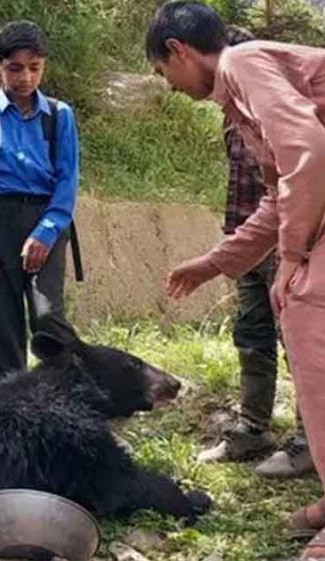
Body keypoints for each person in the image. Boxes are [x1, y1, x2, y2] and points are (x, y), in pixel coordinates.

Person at [146, 2, 325, 555]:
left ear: (178, 51)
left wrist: (291, 258)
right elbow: (278, 198)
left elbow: (310, 152)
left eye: (163, 71)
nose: (169, 86)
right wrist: (213, 263)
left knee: (304, 312)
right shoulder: (241, 102)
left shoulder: (242, 63)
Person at [195, 25, 315, 479]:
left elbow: (299, 172)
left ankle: (308, 440)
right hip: (247, 234)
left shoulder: (268, 96)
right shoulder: (234, 116)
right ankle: (252, 427)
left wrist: (292, 250)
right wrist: (226, 251)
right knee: (250, 333)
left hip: (289, 236)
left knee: (299, 341)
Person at [0, 20, 80, 382]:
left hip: (45, 219)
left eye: (34, 68)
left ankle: (69, 390)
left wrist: (46, 231)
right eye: (15, 68)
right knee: (1, 323)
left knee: (47, 315)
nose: (25, 78)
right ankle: (7, 403)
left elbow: (67, 180)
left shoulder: (59, 116)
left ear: (44, 66)